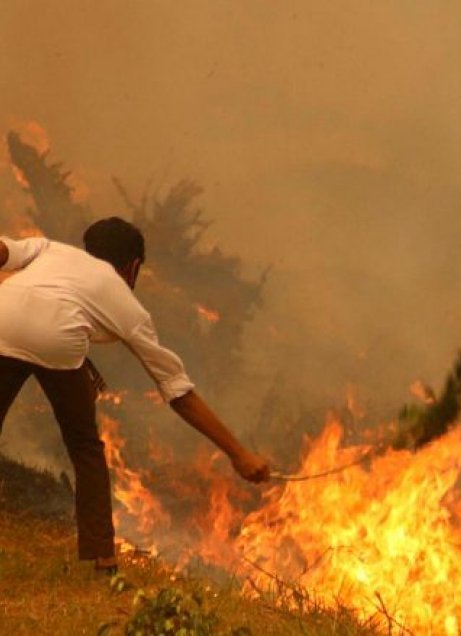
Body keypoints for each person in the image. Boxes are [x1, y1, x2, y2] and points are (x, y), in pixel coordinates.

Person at [0, 217, 270, 574]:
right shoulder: (126, 302)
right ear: (133, 266)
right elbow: (178, 391)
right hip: (60, 341)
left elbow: (4, 250)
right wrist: (239, 454)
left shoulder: (49, 248)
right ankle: (103, 557)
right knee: (85, 448)